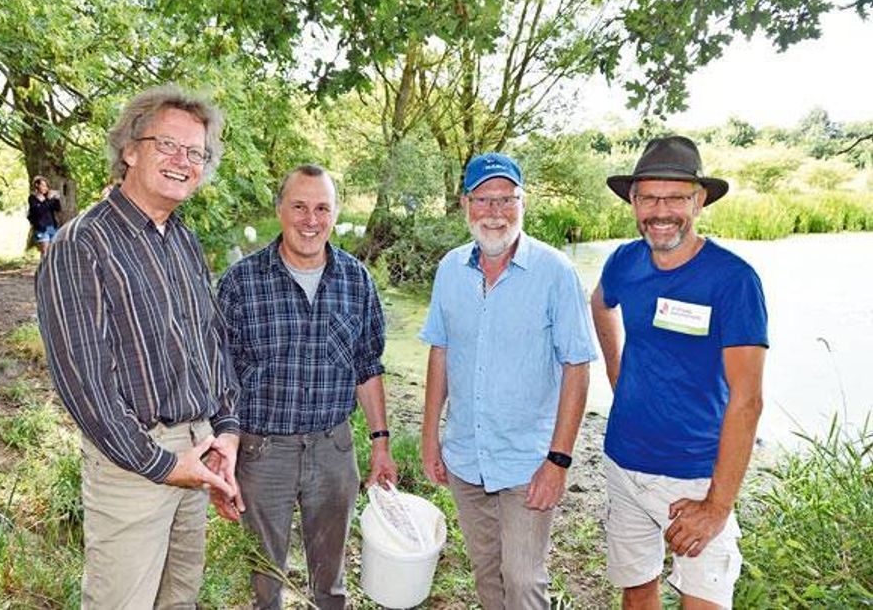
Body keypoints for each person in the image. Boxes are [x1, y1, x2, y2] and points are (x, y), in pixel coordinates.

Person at [35, 85, 244, 608]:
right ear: (130, 148)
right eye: (167, 145)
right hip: (132, 465)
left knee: (179, 598)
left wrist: (226, 432)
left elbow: (210, 341)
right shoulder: (80, 245)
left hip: (198, 448)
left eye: (196, 153)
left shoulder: (181, 238)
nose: (183, 161)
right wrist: (162, 464)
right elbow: (86, 385)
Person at [590, 135, 768, 609]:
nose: (660, 210)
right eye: (648, 197)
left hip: (694, 475)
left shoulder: (734, 280)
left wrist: (717, 506)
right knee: (636, 589)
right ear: (632, 201)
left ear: (699, 200)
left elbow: (747, 400)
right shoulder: (625, 260)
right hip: (623, 462)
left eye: (674, 197)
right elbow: (600, 305)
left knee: (704, 600)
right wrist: (617, 374)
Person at [215, 164, 397, 610]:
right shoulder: (241, 282)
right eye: (299, 206)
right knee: (265, 581)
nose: (310, 220)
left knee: (330, 582)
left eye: (322, 208)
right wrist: (220, 452)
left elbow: (367, 365)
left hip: (333, 450)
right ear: (280, 210)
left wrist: (381, 444)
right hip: (262, 454)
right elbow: (220, 374)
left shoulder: (357, 281)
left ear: (334, 214)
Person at [420, 152, 597, 609]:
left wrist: (558, 461)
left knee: (522, 580)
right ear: (465, 204)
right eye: (483, 200)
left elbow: (577, 367)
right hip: (465, 456)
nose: (494, 213)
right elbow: (441, 352)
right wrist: (429, 439)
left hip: (528, 462)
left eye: (506, 200)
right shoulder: (450, 270)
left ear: (523, 203)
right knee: (487, 574)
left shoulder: (556, 272)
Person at [27, 175, 61, 255]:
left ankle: (51, 267)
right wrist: (48, 200)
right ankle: (44, 267)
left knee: (53, 252)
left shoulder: (47, 196)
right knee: (45, 253)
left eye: (46, 185)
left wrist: (56, 199)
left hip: (52, 227)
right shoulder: (33, 198)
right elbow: (40, 211)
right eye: (43, 185)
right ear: (37, 185)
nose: (45, 187)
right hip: (41, 228)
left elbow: (58, 209)